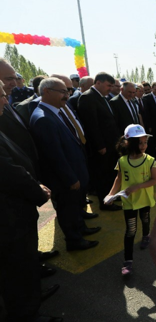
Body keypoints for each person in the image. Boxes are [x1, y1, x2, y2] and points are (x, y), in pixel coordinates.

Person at [0, 80, 63, 322]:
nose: (7, 99)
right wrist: (38, 191)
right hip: (9, 218)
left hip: (16, 211)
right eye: (2, 95)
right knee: (16, 269)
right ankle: (26, 314)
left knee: (24, 266)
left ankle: (31, 298)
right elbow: (8, 171)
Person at [31, 77, 100, 251]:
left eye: (68, 92)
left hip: (74, 170)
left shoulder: (56, 112)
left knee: (75, 207)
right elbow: (54, 155)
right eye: (62, 92)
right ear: (46, 92)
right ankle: (74, 241)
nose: (67, 95)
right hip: (65, 178)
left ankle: (81, 229)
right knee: (68, 210)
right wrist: (70, 178)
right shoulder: (43, 118)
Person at [105, 124, 156, 275]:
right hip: (128, 202)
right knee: (130, 230)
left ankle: (146, 235)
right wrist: (110, 195)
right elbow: (119, 179)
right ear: (129, 143)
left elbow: (155, 180)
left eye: (145, 142)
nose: (143, 146)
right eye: (140, 142)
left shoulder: (150, 160)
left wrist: (138, 186)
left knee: (145, 218)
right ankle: (128, 261)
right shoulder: (122, 161)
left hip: (144, 199)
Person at [77, 71, 122, 211]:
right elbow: (91, 126)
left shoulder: (101, 97)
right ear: (98, 83)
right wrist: (100, 145)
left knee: (111, 173)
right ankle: (105, 202)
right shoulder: (88, 98)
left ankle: (112, 195)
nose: (111, 89)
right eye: (109, 85)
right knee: (103, 175)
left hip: (110, 144)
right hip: (102, 147)